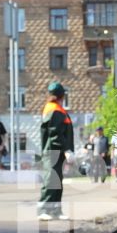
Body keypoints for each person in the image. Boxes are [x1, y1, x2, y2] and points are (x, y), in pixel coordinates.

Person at [36, 81, 73, 219]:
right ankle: (43, 210)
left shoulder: (55, 108)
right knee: (51, 180)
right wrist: (67, 149)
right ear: (62, 95)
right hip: (53, 151)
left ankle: (55, 211)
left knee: (56, 181)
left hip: (55, 151)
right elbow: (55, 133)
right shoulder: (55, 110)